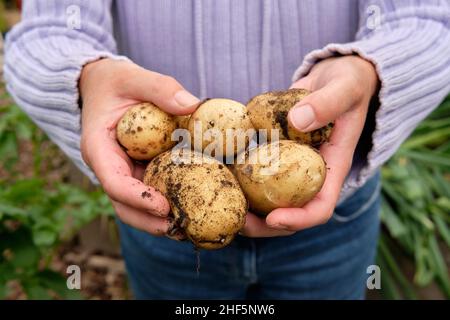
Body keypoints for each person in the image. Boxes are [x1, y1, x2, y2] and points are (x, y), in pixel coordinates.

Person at [5, 0, 450, 299]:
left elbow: (429, 19)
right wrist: (87, 75)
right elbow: (47, 29)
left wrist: (369, 67)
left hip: (335, 214)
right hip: (164, 221)